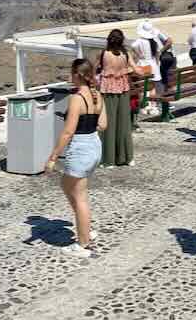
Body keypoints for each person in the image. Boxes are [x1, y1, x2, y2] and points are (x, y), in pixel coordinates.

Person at [46, 59, 107, 258]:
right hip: (94, 145)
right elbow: (103, 124)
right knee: (66, 184)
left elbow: (68, 132)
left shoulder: (76, 98)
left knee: (80, 197)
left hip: (80, 148)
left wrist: (53, 156)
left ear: (78, 75)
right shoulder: (97, 96)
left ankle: (83, 243)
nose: (69, 77)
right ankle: (84, 226)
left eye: (71, 73)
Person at [97, 29, 135, 168]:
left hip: (107, 90)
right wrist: (124, 71)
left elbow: (94, 69)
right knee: (124, 123)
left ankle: (108, 159)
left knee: (108, 123)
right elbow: (137, 70)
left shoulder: (102, 53)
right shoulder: (126, 54)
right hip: (123, 89)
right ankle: (127, 157)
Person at [131, 20, 171, 117]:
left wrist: (138, 54)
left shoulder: (140, 41)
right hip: (153, 64)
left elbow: (133, 46)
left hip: (144, 64)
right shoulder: (153, 42)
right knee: (153, 87)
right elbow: (157, 54)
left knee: (143, 87)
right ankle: (153, 106)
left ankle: (146, 106)